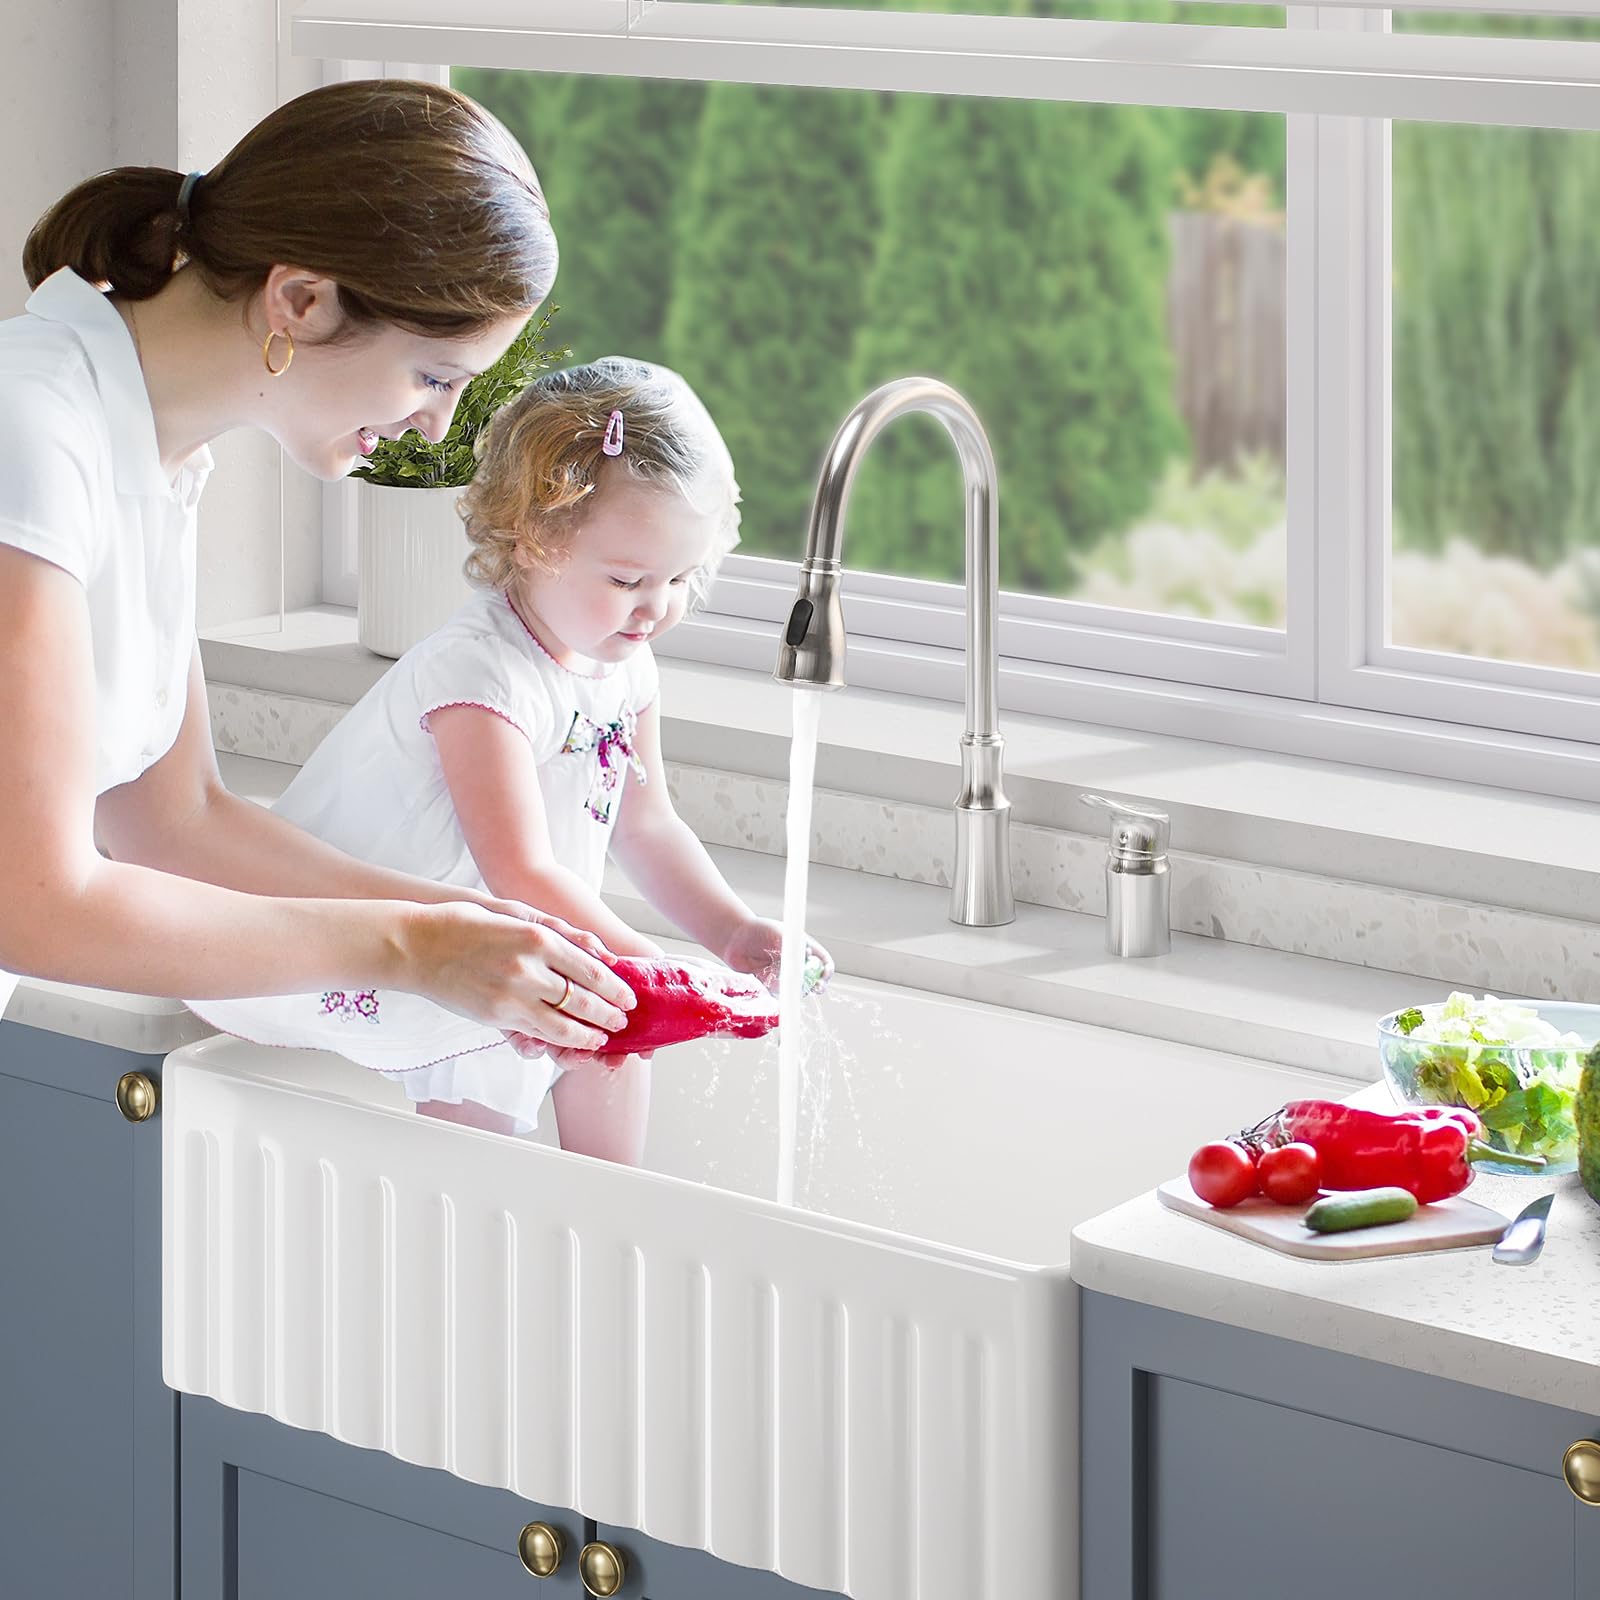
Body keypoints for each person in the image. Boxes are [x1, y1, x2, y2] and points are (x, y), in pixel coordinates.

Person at [0, 79, 640, 1051]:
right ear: (298, 298)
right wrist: (410, 948)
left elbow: (174, 820)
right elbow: (32, 902)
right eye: (435, 376)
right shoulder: (32, 433)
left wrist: (485, 931)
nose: (438, 424)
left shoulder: (153, 450)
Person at [264, 358, 833, 1163]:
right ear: (532, 540)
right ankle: (490, 1257)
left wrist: (732, 933)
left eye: (681, 577)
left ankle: (617, 1214)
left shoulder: (625, 664)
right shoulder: (480, 673)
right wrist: (650, 966)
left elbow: (649, 826)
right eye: (630, 578)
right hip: (446, 944)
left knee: (616, 1042)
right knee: (486, 1163)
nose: (658, 605)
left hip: (543, 935)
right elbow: (519, 872)